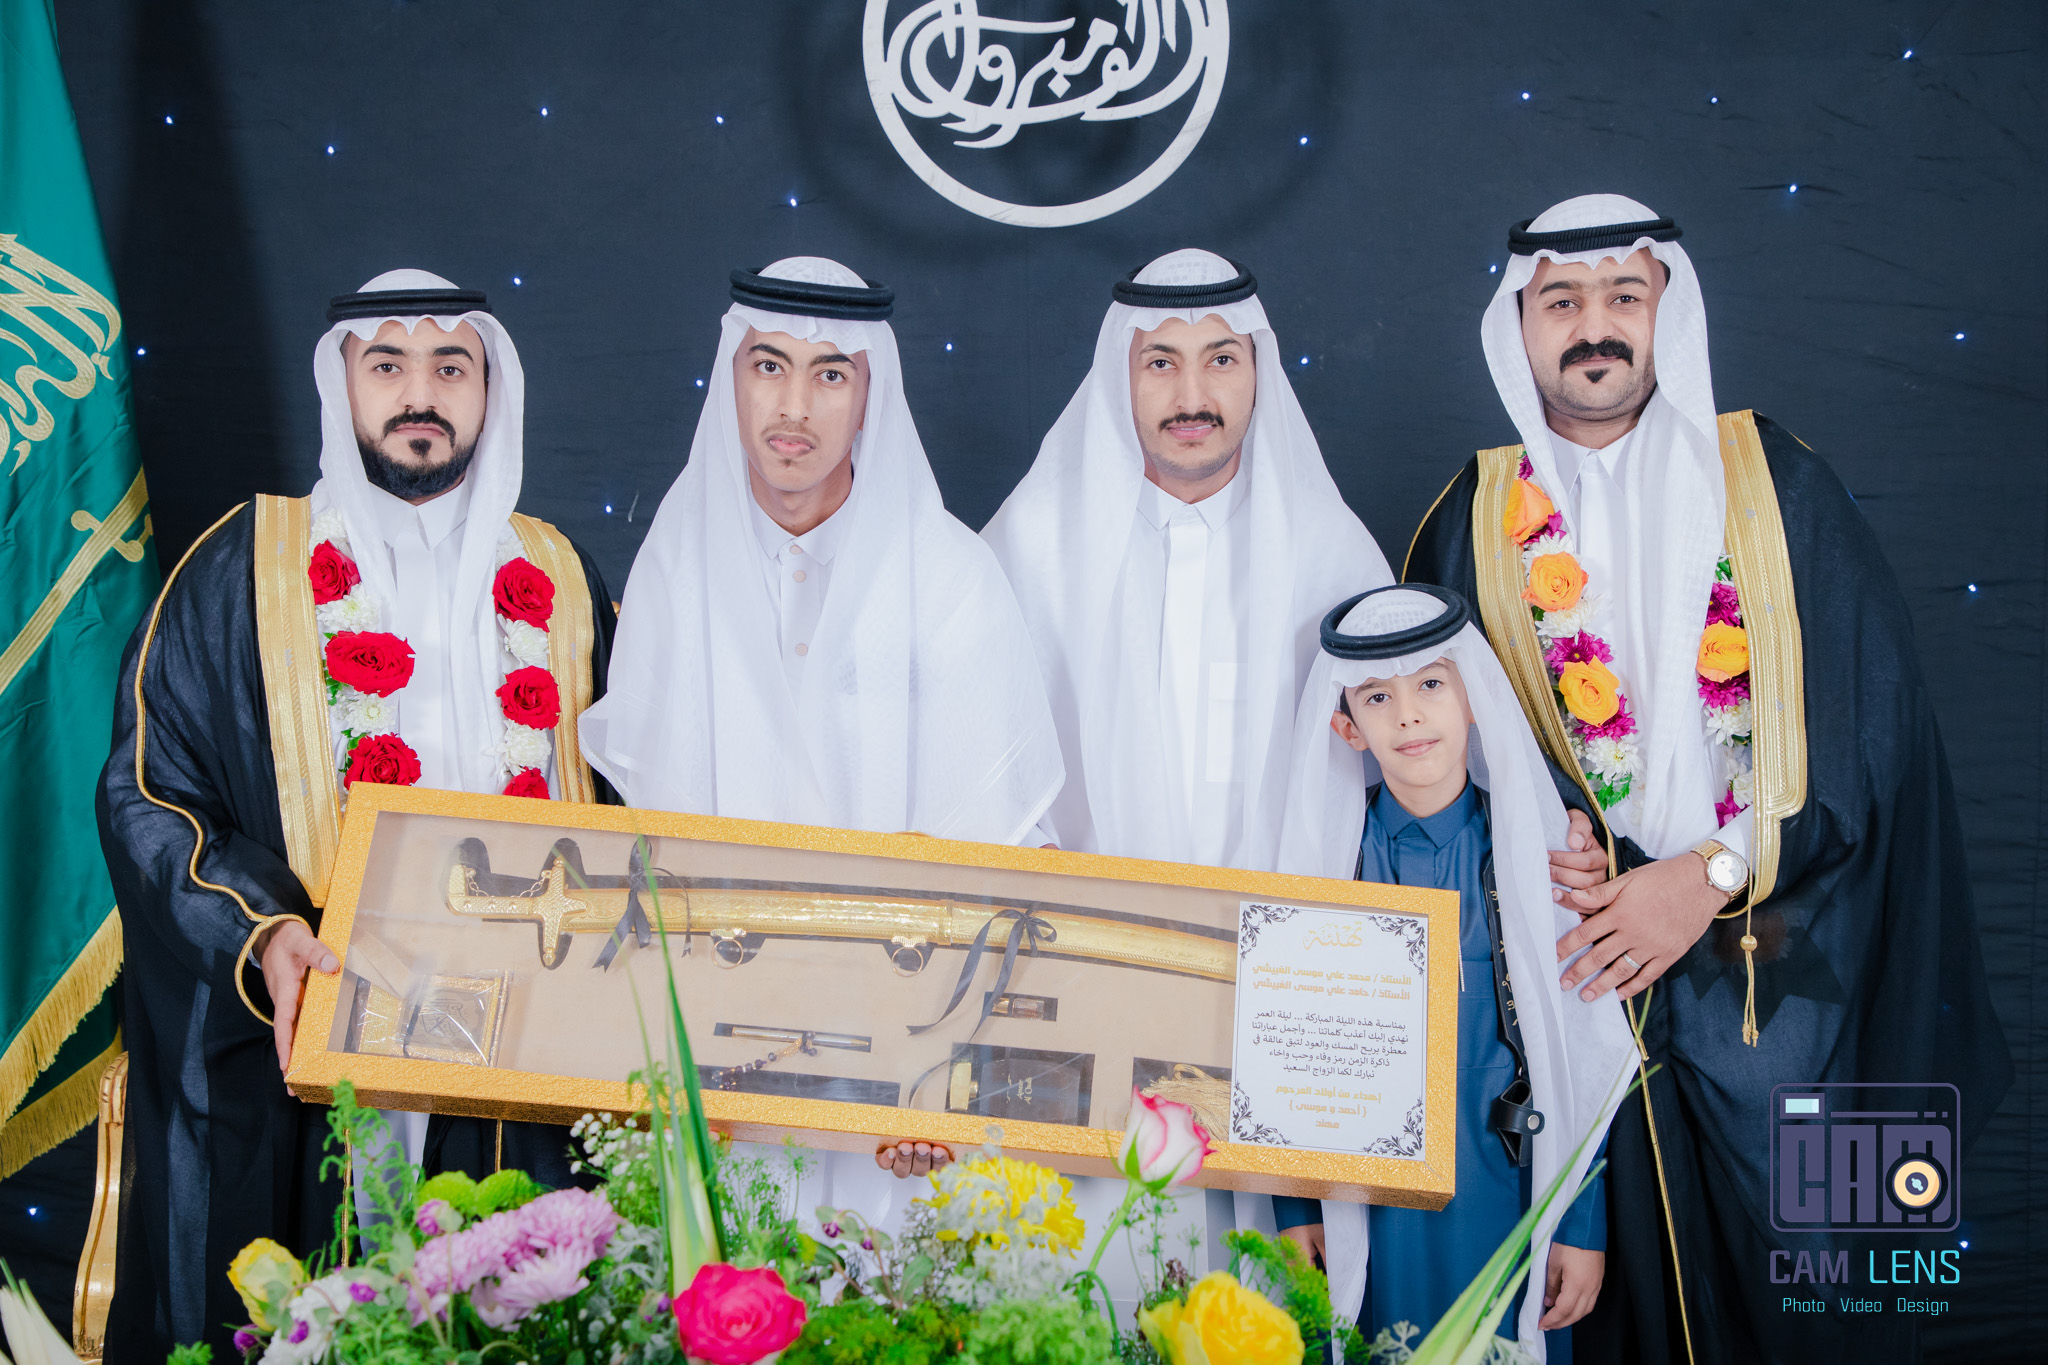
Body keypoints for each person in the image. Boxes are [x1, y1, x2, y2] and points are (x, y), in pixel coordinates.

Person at [1403, 195, 2010, 1364]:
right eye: (1559, 300)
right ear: (1516, 324)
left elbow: (1871, 734)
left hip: (1792, 981)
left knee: (1823, 1305)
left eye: (1621, 296)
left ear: (1664, 312)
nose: (1592, 324)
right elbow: (1435, 764)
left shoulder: (1778, 486)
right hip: (1585, 985)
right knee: (1597, 1303)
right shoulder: (1468, 522)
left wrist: (1707, 875)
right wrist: (1540, 840)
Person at [97, 271, 619, 1360]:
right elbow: (150, 790)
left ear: (490, 387)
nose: (419, 394)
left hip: (515, 1056)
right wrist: (264, 934)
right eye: (388, 365)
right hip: (313, 1035)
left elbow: (631, 814)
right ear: (342, 384)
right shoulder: (239, 568)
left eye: (450, 366)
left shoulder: (563, 585)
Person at [579, 256, 1065, 1215]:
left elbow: (1002, 852)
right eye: (769, 366)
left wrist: (937, 1072)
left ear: (869, 392)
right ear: (732, 377)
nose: (793, 405)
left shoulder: (950, 575)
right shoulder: (677, 567)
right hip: (720, 1077)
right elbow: (648, 839)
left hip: (903, 1091)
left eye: (830, 373)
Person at [1270, 585, 1635, 1362]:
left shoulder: (1540, 857)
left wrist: (1579, 1221)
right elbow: (1285, 1050)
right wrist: (1294, 1207)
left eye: (1431, 683)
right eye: (1378, 695)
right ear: (1347, 725)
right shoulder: (1328, 864)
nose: (1408, 715)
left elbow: (1579, 1051)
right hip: (1372, 1202)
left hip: (1509, 1184)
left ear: (1473, 700)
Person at [983, 248, 1392, 871]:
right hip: (1077, 917)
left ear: (1258, 373)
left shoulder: (1330, 549)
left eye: (1221, 360)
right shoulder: (1033, 542)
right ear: (1120, 378)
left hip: (1279, 921)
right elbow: (970, 744)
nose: (1191, 398)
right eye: (1161, 363)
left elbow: (1390, 768)